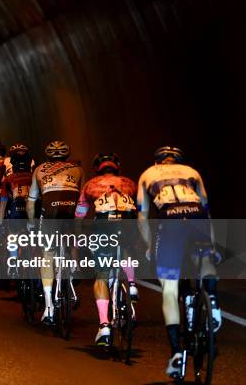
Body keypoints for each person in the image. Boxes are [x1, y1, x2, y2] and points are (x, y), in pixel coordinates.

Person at [137, 146, 221, 379]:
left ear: (157, 162)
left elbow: (142, 216)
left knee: (170, 290)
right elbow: (206, 209)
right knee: (205, 261)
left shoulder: (147, 174)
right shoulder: (192, 171)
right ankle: (212, 300)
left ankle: (176, 354)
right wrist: (212, 245)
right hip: (197, 219)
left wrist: (147, 245)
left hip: (170, 225)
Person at [75, 153, 139, 346]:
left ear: (97, 168)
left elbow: (80, 214)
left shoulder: (90, 185)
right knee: (126, 245)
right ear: (116, 166)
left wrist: (78, 237)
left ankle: (104, 325)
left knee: (102, 275)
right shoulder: (130, 183)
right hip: (127, 224)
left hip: (103, 226)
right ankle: (132, 283)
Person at [27, 141, 84, 325]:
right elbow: (84, 199)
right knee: (72, 237)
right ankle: (75, 269)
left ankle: (49, 307)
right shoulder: (77, 169)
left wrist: (31, 224)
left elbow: (31, 201)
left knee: (48, 253)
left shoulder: (39, 169)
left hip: (50, 211)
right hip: (70, 211)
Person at [0, 145, 34, 276]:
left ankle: (13, 261)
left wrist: (0, 225)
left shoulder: (8, 179)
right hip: (32, 212)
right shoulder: (35, 176)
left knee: (12, 234)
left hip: (16, 210)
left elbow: (2, 205)